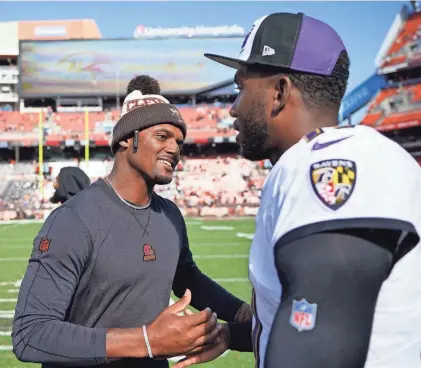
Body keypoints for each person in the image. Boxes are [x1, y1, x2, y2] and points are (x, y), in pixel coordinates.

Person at [174, 12, 421, 368]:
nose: (232, 109)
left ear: (279, 92)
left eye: (240, 88)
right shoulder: (312, 160)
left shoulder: (331, 163)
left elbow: (321, 342)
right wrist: (234, 335)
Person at [12, 75, 252, 368]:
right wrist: (146, 341)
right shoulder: (73, 219)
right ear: (127, 138)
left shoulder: (171, 215)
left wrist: (241, 313)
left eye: (179, 142)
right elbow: (30, 334)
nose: (175, 150)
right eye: (162, 137)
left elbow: (189, 279)